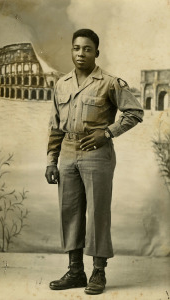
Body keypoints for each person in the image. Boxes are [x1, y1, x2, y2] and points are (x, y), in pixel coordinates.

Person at [45, 28, 144, 295]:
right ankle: (76, 271)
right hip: (67, 151)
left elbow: (135, 112)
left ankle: (98, 272)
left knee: (98, 213)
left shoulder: (109, 82)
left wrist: (108, 132)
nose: (81, 53)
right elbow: (55, 125)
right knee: (70, 211)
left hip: (97, 153)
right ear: (71, 51)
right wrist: (51, 161)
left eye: (87, 49)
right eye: (77, 48)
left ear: (96, 53)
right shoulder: (62, 83)